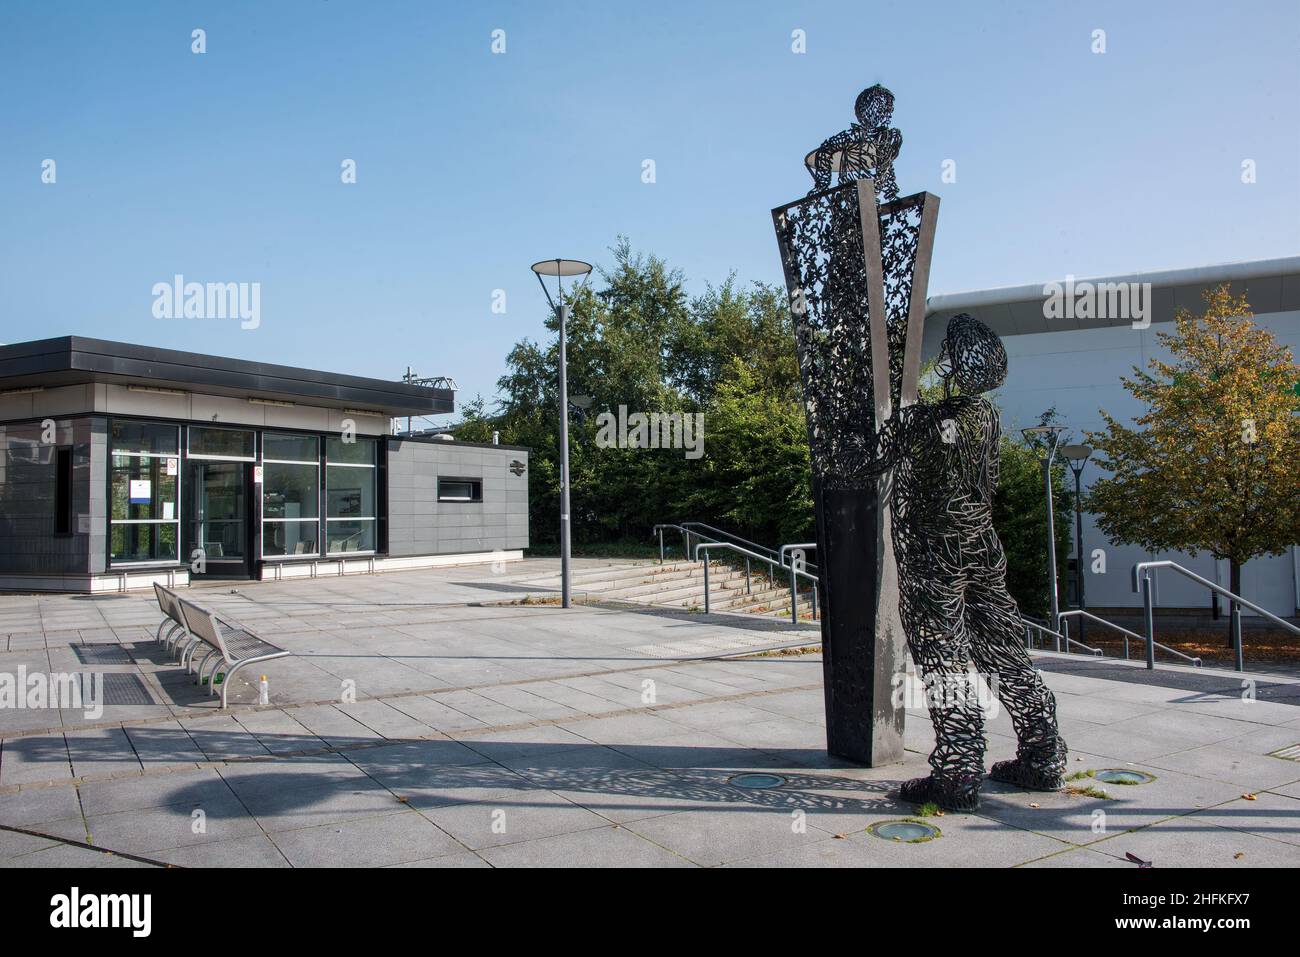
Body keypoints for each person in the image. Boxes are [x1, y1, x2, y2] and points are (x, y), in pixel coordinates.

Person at [871, 313, 1068, 811]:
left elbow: (864, 460)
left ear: (956, 365)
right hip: (982, 544)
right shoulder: (990, 418)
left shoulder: (927, 421)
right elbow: (984, 483)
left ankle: (958, 770)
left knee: (944, 654)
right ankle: (1042, 751)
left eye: (947, 359)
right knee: (1001, 648)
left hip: (934, 552)